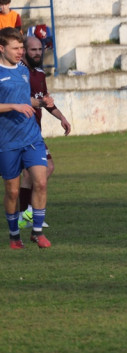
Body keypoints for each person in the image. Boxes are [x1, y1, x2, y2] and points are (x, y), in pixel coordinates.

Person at [0, 28, 51, 249]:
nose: (21, 52)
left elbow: (24, 99)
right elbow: (15, 103)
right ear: (1, 48)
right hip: (7, 140)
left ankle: (37, 233)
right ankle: (14, 236)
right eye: (16, 48)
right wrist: (13, 106)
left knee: (40, 181)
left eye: (22, 48)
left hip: (31, 136)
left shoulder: (22, 69)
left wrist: (41, 103)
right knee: (12, 191)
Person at [18, 34, 71, 230]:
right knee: (38, 170)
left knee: (36, 172)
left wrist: (61, 117)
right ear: (23, 50)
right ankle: (28, 212)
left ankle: (25, 213)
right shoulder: (18, 72)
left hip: (34, 131)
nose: (38, 53)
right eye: (33, 49)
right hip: (20, 130)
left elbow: (45, 100)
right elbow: (23, 100)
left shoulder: (40, 73)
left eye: (40, 49)